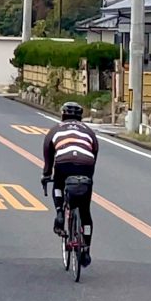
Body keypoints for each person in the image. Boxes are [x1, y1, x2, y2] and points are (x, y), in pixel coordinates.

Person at [41, 101, 99, 267]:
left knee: (58, 185)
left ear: (62, 114)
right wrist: (89, 178)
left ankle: (60, 213)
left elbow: (48, 156)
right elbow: (94, 154)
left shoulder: (55, 130)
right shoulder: (89, 131)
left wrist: (46, 174)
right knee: (85, 211)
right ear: (80, 117)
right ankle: (86, 250)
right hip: (86, 166)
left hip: (64, 163)